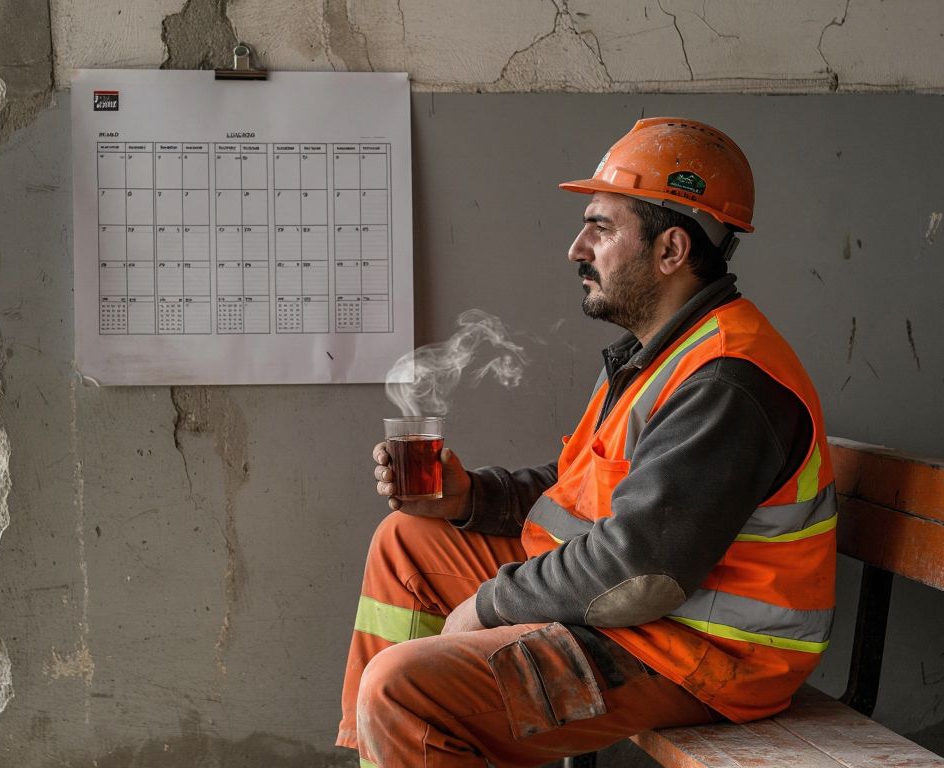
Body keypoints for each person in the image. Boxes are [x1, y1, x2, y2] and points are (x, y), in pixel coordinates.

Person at [336, 118, 836, 768]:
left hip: (697, 654)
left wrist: (487, 607)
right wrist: (471, 498)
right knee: (408, 542)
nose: (577, 248)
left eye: (600, 227)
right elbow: (582, 491)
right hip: (645, 621)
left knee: (403, 690)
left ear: (671, 250)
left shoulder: (726, 381)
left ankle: (406, 733)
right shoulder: (660, 354)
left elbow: (641, 574)